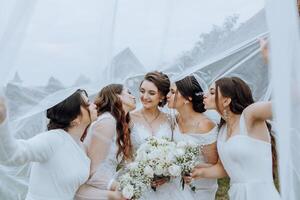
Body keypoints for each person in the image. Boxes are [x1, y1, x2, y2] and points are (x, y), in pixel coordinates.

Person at [190, 77, 280, 200]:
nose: (204, 95)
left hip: (261, 194)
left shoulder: (249, 115)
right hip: (237, 194)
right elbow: (222, 168)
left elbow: (282, 104)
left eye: (212, 92)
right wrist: (198, 172)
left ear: (226, 101)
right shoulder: (222, 129)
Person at [0, 89, 97, 200]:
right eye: (87, 103)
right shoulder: (52, 140)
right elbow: (13, 155)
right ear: (75, 119)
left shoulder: (82, 147)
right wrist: (2, 123)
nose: (93, 105)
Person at [130, 71, 193, 199]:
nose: (144, 96)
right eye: (142, 91)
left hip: (168, 188)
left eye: (151, 93)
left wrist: (168, 175)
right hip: (139, 183)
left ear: (162, 96)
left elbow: (176, 151)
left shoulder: (171, 119)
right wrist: (139, 172)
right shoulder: (129, 118)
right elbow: (125, 153)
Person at [75, 84, 136, 200]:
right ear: (117, 96)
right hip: (93, 191)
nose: (133, 97)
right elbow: (92, 173)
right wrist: (117, 187)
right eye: (128, 92)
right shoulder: (107, 121)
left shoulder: (119, 125)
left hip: (105, 188)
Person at [166, 75, 218, 200]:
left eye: (173, 92)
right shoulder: (172, 120)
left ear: (187, 98)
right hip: (175, 187)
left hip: (200, 189)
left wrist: (186, 168)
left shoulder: (205, 125)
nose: (167, 95)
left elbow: (214, 165)